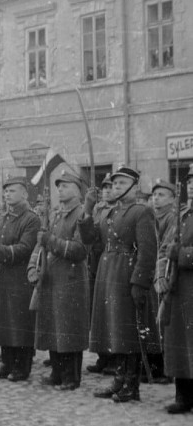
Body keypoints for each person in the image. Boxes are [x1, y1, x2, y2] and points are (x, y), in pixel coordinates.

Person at [80, 166, 157, 403]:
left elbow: (147, 251)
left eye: (122, 184)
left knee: (128, 330)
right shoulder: (111, 213)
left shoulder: (142, 212)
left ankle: (131, 385)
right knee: (115, 328)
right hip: (108, 273)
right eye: (114, 184)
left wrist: (139, 283)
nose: (116, 188)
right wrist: (88, 208)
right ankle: (119, 380)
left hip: (126, 274)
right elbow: (90, 239)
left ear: (135, 187)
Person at [28, 171, 90, 390]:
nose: (60, 190)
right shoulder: (56, 214)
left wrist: (50, 240)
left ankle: (71, 377)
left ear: (77, 190)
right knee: (52, 324)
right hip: (52, 276)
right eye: (59, 186)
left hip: (71, 278)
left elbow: (79, 249)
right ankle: (57, 371)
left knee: (68, 327)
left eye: (65, 186)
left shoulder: (81, 214)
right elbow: (42, 245)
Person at [0, 176, 40, 381]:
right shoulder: (1, 218)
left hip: (19, 277)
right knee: (3, 322)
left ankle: (22, 366)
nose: (7, 195)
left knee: (19, 324)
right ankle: (7, 362)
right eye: (6, 191)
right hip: (1, 276)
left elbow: (25, 248)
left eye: (12, 191)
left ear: (24, 194)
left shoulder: (31, 219)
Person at [156, 164, 193, 413]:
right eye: (190, 181)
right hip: (177, 288)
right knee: (178, 342)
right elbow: (164, 249)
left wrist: (181, 255)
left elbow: (176, 251)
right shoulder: (181, 216)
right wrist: (160, 276)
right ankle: (183, 396)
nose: (191, 185)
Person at [147, 178, 177, 384]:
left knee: (162, 323)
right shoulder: (151, 217)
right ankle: (152, 365)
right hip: (149, 271)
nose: (156, 199)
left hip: (161, 274)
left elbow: (165, 248)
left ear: (173, 199)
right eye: (154, 195)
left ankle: (164, 369)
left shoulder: (172, 219)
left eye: (161, 195)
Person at [85, 174, 116, 375]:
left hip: (112, 262)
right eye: (103, 188)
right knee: (99, 314)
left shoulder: (117, 210)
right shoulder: (97, 209)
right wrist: (88, 206)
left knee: (112, 313)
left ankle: (114, 359)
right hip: (96, 262)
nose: (106, 190)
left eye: (110, 187)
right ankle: (102, 357)